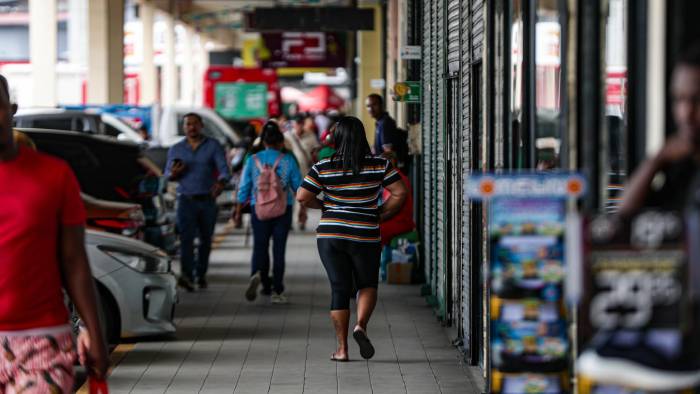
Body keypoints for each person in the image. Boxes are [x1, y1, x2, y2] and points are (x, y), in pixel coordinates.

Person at [0, 74, 108, 392]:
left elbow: (74, 261)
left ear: (12, 109)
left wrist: (95, 332)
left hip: (42, 341)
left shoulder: (54, 175)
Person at [296, 116, 407, 361]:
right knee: (367, 283)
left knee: (339, 287)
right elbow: (400, 192)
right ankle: (361, 326)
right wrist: (381, 214)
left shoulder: (323, 166)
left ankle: (342, 349)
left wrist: (326, 206)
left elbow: (302, 197)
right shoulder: (379, 165)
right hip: (365, 231)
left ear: (336, 138)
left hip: (331, 234)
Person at [619, 45, 700, 217]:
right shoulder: (682, 167)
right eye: (679, 99)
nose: (685, 113)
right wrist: (656, 161)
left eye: (697, 100)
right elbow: (623, 220)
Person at [235, 121, 302, 304]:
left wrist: (239, 209)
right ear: (281, 143)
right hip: (283, 209)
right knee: (279, 250)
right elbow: (299, 187)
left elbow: (244, 188)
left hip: (260, 208)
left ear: (264, 142)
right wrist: (303, 208)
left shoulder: (253, 160)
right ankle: (277, 290)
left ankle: (258, 275)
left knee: (260, 246)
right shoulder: (287, 160)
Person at [166, 113, 230, 292]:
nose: (191, 127)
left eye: (195, 124)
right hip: (185, 200)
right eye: (188, 124)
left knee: (205, 240)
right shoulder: (176, 149)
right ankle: (186, 276)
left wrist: (221, 183)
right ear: (184, 127)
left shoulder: (213, 146)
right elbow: (167, 175)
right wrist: (174, 173)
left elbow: (224, 171)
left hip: (207, 201)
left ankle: (200, 274)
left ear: (201, 126)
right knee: (186, 240)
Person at [366, 94, 406, 161]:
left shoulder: (385, 123)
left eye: (374, 104)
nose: (371, 109)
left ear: (382, 105)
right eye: (368, 106)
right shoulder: (379, 122)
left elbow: (389, 154)